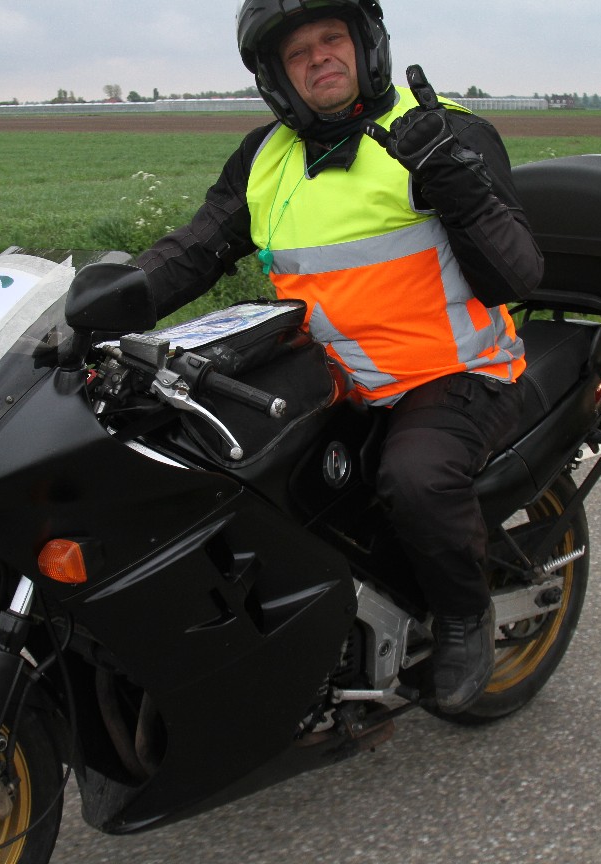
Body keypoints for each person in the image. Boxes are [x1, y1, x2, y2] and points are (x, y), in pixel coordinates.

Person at [135, 0, 543, 712]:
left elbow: (517, 275)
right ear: (276, 75)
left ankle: (463, 615)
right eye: (298, 52)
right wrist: (107, 302)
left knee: (416, 479)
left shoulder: (443, 131)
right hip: (331, 376)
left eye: (332, 39)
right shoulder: (265, 157)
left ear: (367, 45)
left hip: (452, 372)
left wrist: (456, 183)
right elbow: (195, 250)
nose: (318, 57)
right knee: (220, 466)